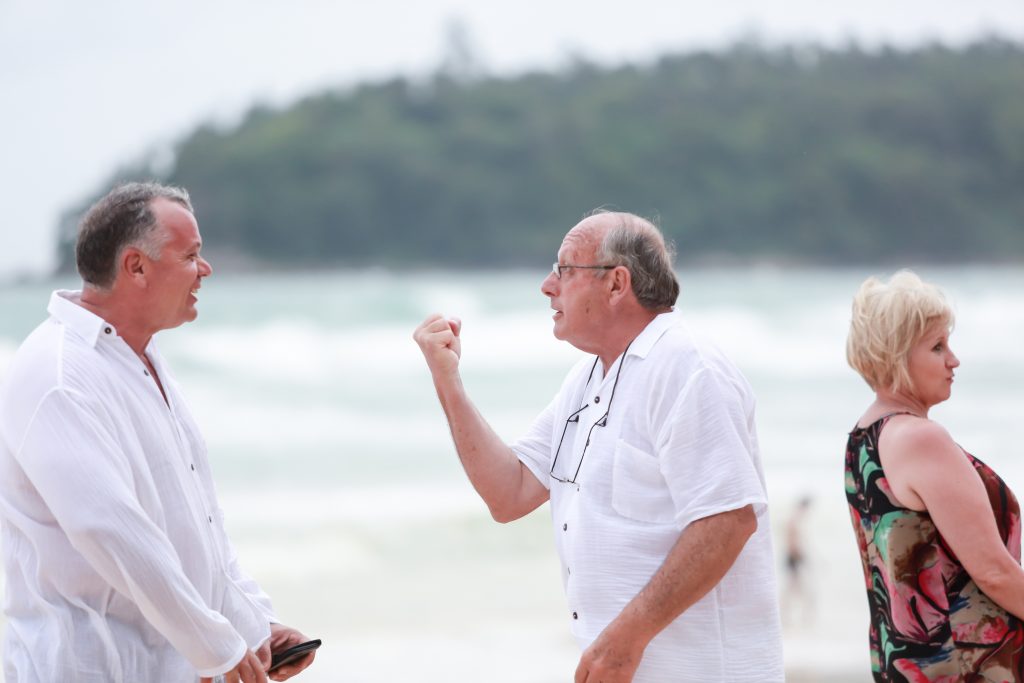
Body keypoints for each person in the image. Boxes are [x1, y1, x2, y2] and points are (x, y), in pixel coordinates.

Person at [413, 210, 783, 683]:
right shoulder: (590, 374)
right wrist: (448, 381)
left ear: (616, 284)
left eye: (564, 270)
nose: (547, 286)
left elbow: (728, 521)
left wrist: (625, 640)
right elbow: (510, 494)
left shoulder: (688, 366)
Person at [0, 183, 316, 683]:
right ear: (136, 267)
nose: (205, 269)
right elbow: (110, 531)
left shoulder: (142, 360)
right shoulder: (58, 374)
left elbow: (196, 525)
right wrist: (217, 646)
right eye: (191, 255)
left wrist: (255, 625)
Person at [845, 270, 1024, 681]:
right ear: (897, 356)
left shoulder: (863, 439)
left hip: (911, 664)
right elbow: (994, 572)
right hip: (969, 666)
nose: (953, 359)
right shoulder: (921, 438)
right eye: (937, 346)